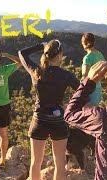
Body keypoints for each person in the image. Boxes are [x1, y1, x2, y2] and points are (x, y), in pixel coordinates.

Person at [18, 40, 80, 180]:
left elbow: (21, 53)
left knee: (36, 162)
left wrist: (40, 46)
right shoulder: (66, 75)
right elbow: (82, 91)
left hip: (39, 119)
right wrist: (70, 106)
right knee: (60, 163)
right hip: (58, 120)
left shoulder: (37, 71)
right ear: (60, 55)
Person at [81, 33, 105, 106]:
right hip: (98, 90)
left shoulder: (87, 58)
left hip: (90, 91)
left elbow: (84, 77)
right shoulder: (100, 54)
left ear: (84, 43)